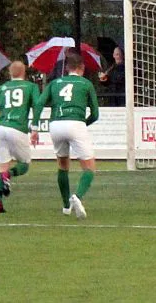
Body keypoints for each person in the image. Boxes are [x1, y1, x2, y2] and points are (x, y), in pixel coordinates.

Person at [35, 52, 99, 219]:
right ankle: (77, 196)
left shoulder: (55, 83)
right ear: (82, 68)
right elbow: (95, 114)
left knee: (63, 165)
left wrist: (34, 127)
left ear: (67, 68)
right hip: (76, 123)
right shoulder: (86, 84)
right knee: (89, 167)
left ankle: (65, 206)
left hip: (56, 124)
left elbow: (40, 102)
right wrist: (83, 123)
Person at [0, 61, 40, 214]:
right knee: (24, 164)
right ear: (24, 73)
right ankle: (7, 176)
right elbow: (37, 105)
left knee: (2, 165)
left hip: (1, 128)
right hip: (17, 128)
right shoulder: (31, 87)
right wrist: (34, 128)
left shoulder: (2, 88)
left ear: (10, 73)